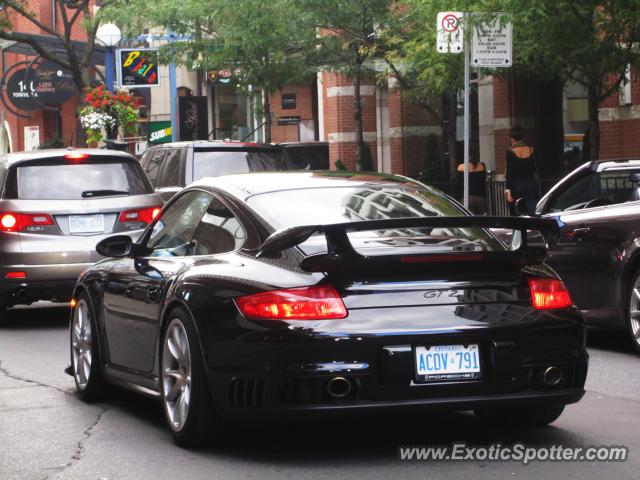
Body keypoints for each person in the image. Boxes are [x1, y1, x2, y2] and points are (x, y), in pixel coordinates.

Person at [504, 125, 540, 215]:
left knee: (516, 217)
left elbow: (510, 173)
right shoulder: (532, 150)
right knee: (532, 215)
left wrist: (508, 189)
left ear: (512, 138)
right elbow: (537, 168)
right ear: (523, 137)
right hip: (531, 185)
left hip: (516, 188)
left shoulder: (510, 152)